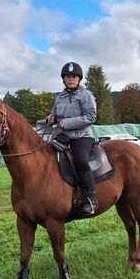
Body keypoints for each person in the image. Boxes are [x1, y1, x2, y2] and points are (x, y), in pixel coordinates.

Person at [47, 62, 98, 215]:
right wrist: (52, 118)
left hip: (81, 136)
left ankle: (91, 199)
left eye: (74, 76)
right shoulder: (60, 97)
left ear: (79, 79)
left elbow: (91, 117)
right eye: (68, 76)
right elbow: (55, 114)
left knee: (80, 160)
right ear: (64, 79)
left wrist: (67, 123)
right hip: (62, 135)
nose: (71, 79)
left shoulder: (86, 95)